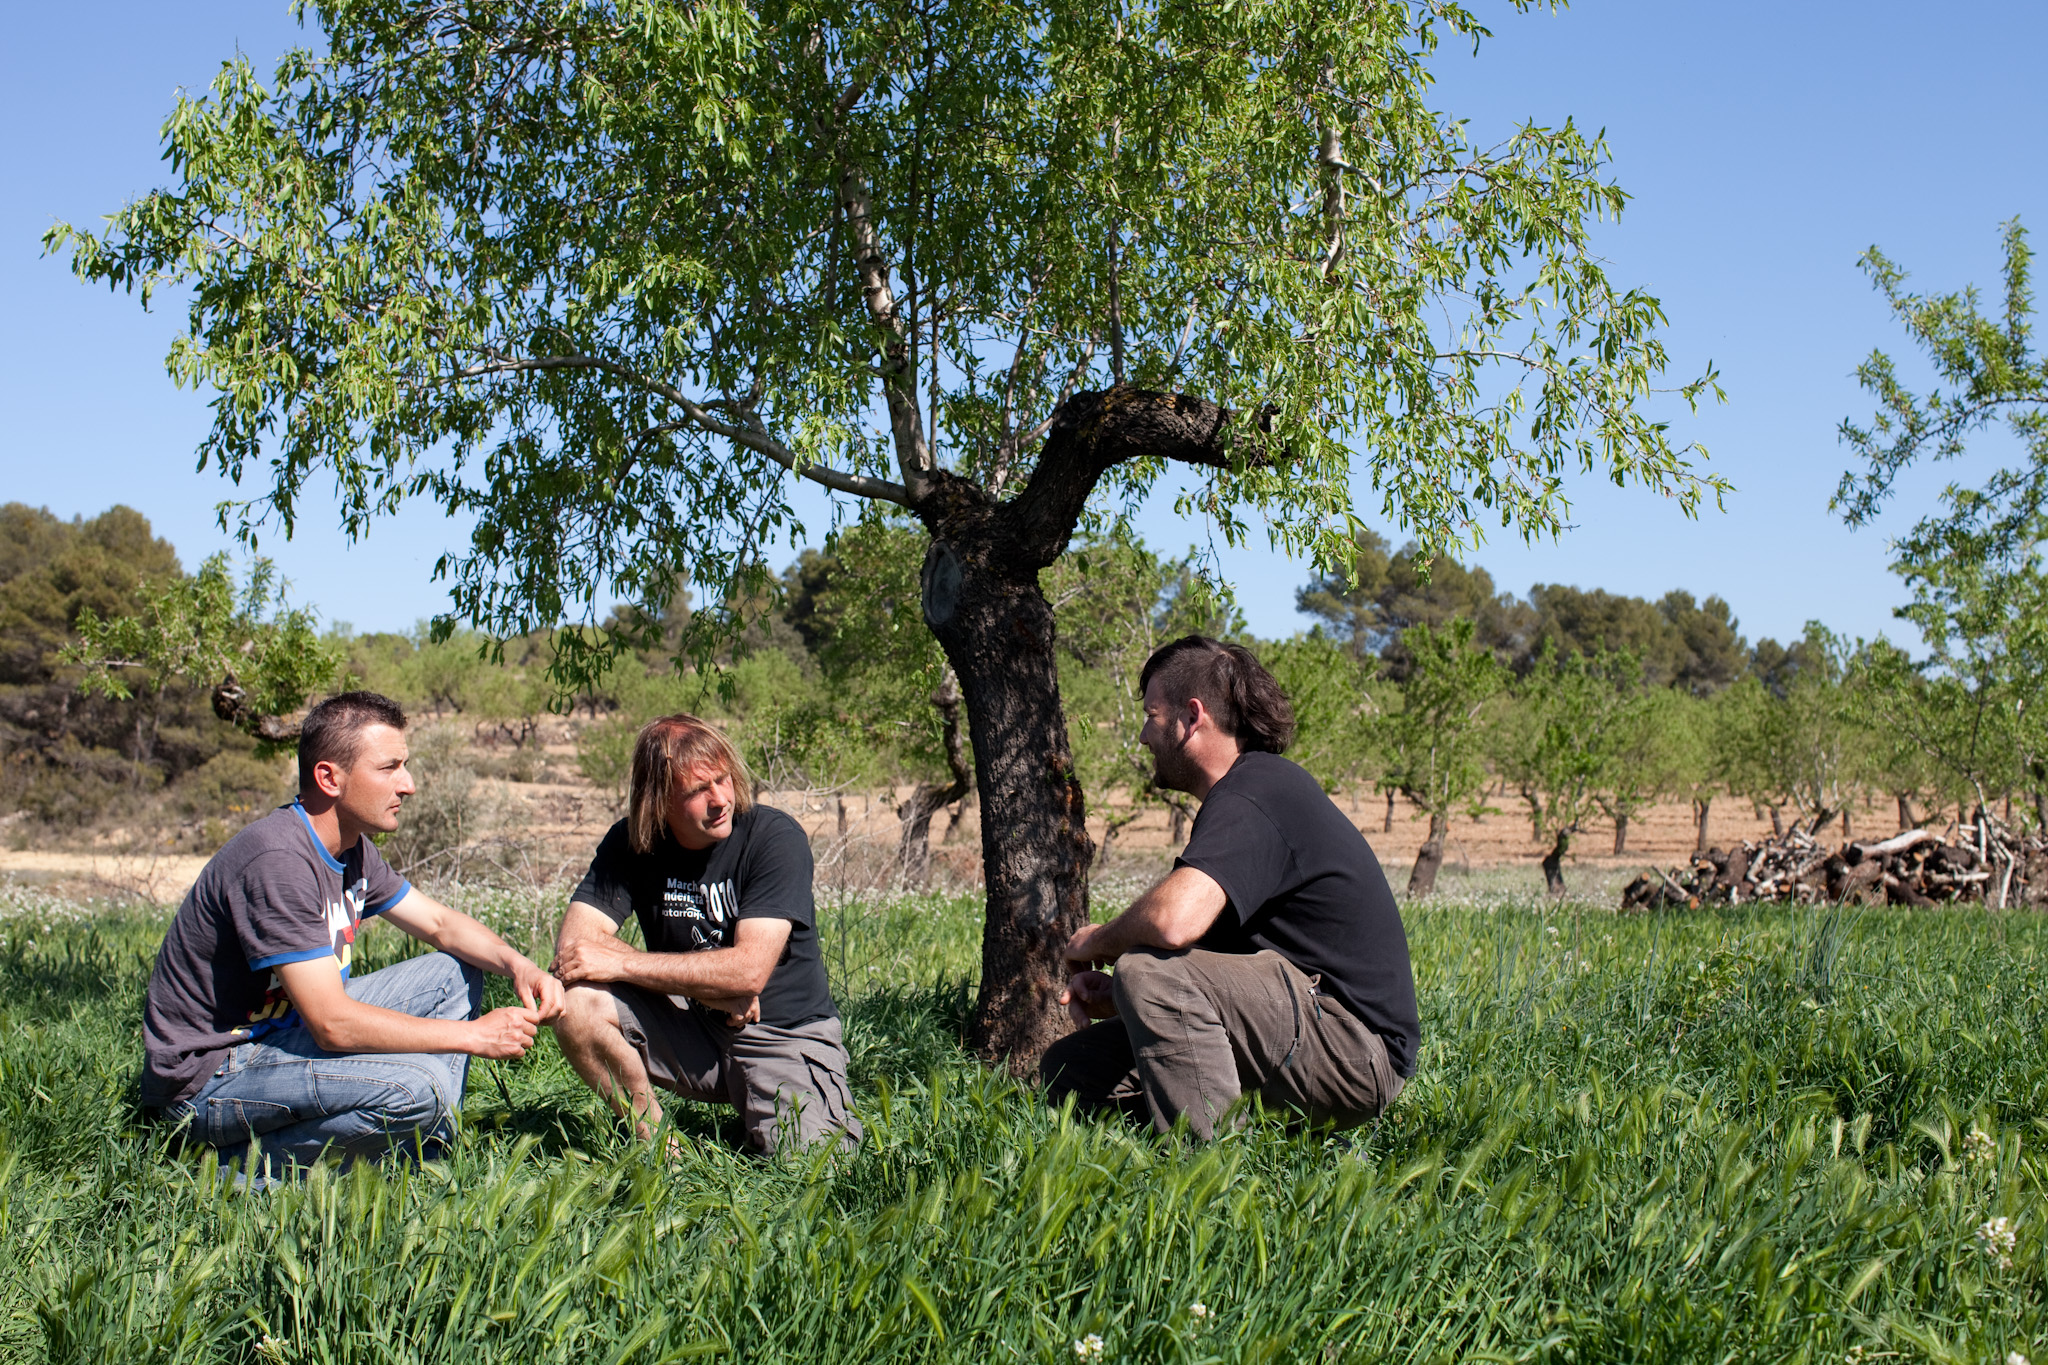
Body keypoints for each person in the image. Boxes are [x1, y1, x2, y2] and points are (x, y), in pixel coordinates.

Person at [142, 691, 565, 1179]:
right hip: (209, 1079)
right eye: (389, 768)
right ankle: (225, 1169)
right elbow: (332, 1024)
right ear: (329, 778)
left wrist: (520, 965)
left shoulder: (351, 849)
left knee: (454, 970)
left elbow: (440, 925)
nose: (408, 785)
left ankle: (424, 1142)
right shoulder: (278, 861)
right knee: (419, 1087)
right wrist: (474, 1036)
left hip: (280, 1036)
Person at [1042, 636, 1418, 1139]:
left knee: (1146, 970)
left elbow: (1173, 923)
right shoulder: (1245, 796)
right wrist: (1124, 999)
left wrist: (1096, 942)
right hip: (1309, 1029)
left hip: (1354, 1049)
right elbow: (1211, 968)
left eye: (1151, 715)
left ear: (1191, 718)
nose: (1141, 735)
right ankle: (1196, 1146)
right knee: (1072, 1069)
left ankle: (1211, 1178)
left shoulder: (1258, 791)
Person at [549, 714, 861, 1154]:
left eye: (723, 779)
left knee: (816, 1176)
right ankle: (658, 1148)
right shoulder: (631, 842)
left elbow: (748, 973)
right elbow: (572, 952)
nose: (720, 799)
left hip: (782, 1036)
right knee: (576, 1001)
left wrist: (622, 961)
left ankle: (767, 1118)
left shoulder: (773, 838)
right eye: (698, 790)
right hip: (691, 1023)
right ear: (658, 800)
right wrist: (713, 990)